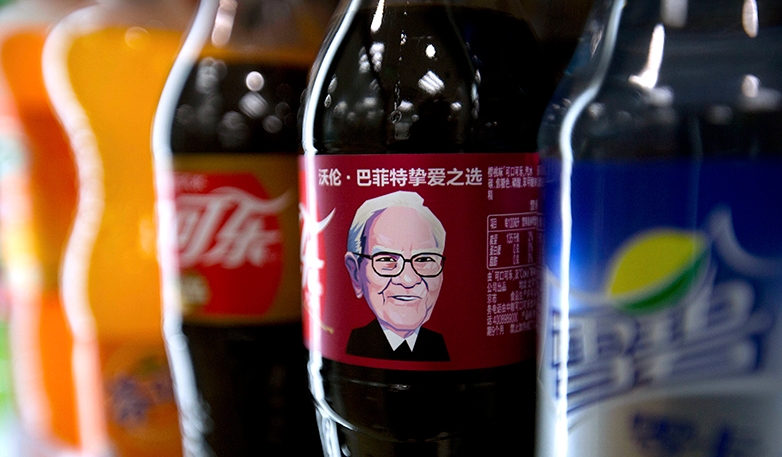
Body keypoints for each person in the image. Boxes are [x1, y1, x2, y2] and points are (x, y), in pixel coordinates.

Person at [344, 191, 449, 361]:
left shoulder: (440, 346)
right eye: (387, 260)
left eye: (423, 259)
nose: (408, 280)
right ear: (356, 273)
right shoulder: (353, 344)